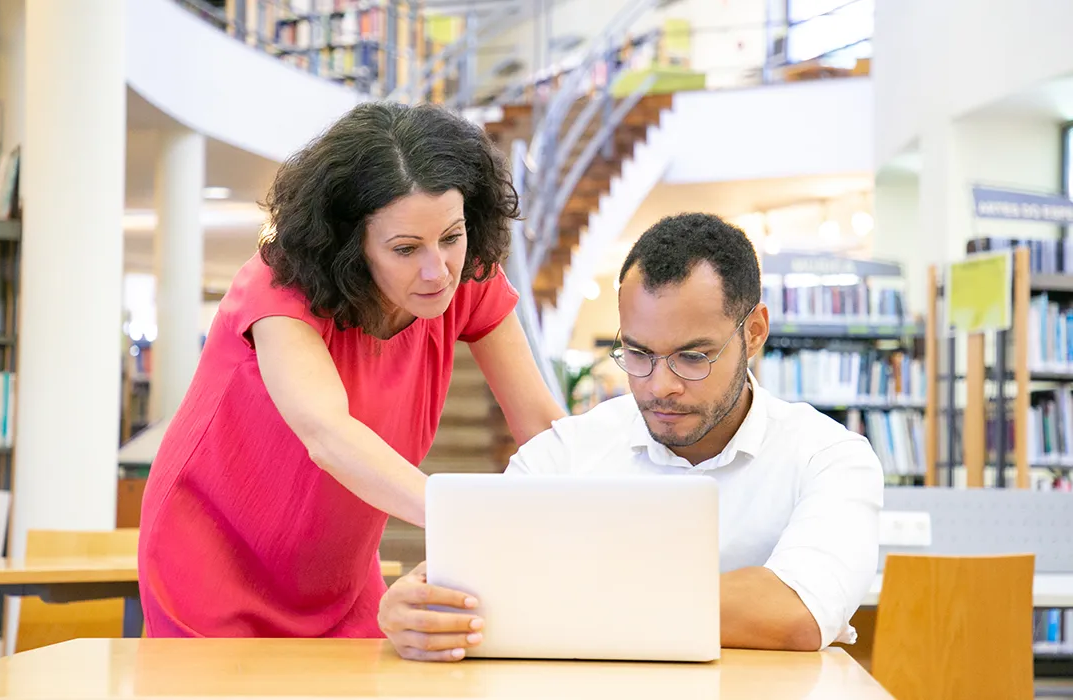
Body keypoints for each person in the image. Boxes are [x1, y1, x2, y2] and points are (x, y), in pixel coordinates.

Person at [138, 102, 566, 638]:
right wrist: (465, 516)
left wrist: (594, 510)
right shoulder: (279, 290)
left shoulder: (469, 280)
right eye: (405, 248)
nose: (438, 271)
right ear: (349, 245)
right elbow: (328, 435)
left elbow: (540, 424)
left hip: (338, 572)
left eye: (451, 237)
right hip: (216, 559)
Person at [377, 213, 884, 660]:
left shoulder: (830, 457)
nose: (660, 386)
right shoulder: (565, 451)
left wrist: (561, 595)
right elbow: (477, 591)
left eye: (693, 357)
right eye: (639, 354)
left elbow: (797, 613)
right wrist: (415, 610)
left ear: (753, 333)